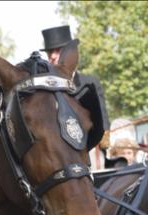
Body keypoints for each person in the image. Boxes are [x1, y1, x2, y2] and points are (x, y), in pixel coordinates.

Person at [41, 25, 110, 170]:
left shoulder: (89, 82)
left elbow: (102, 116)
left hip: (90, 150)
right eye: (49, 52)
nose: (52, 56)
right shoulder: (44, 88)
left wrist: (104, 140)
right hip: (59, 157)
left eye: (57, 51)